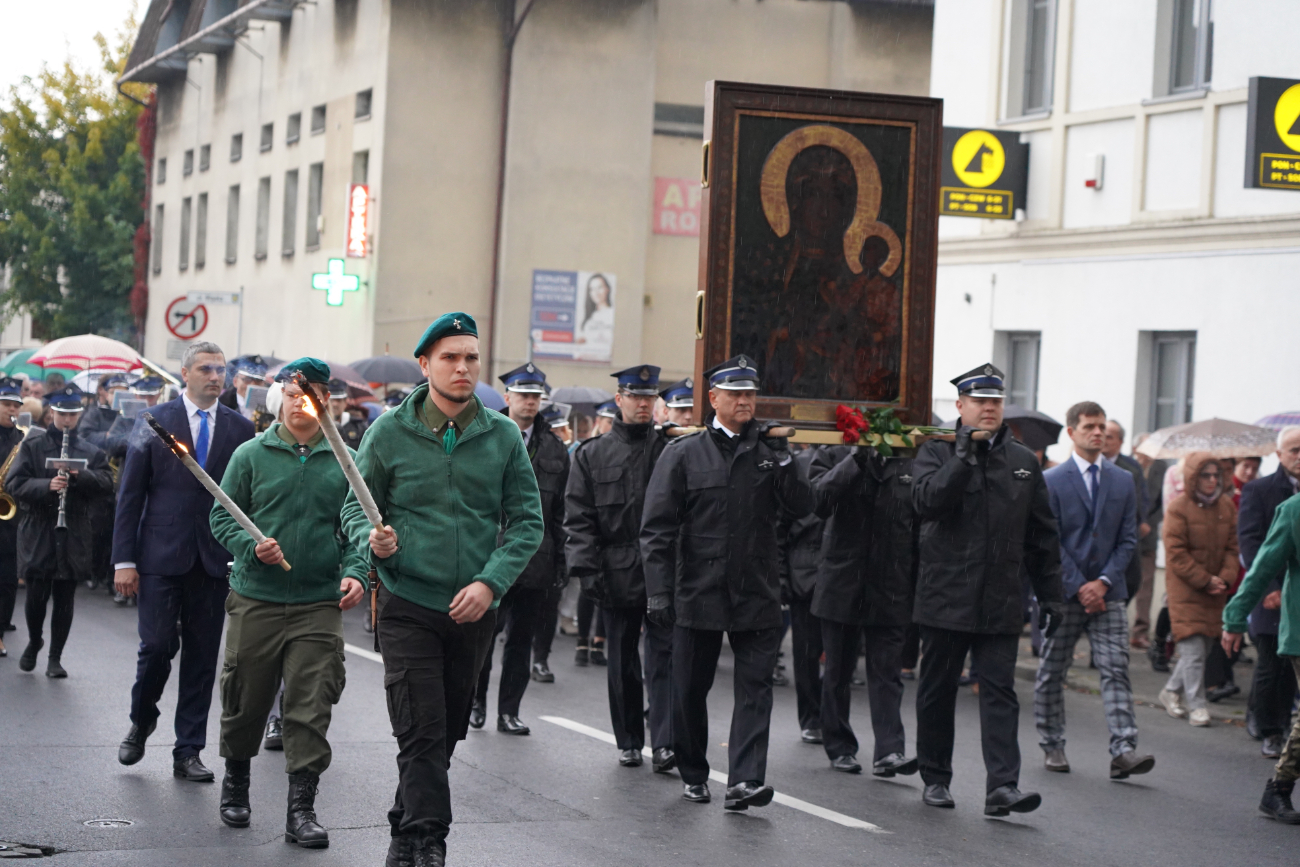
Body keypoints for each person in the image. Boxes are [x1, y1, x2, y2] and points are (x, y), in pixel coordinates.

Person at [341, 312, 543, 867]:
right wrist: (371, 541)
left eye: (471, 358)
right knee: (421, 726)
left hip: (473, 610)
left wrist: (490, 582)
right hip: (408, 603)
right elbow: (356, 506)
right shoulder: (388, 432)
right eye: (450, 357)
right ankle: (430, 841)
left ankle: (404, 826)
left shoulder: (501, 434)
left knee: (447, 730)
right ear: (425, 364)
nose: (462, 367)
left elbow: (527, 522)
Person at [641, 354, 814, 809]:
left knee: (755, 688)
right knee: (689, 688)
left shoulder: (769, 453)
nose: (744, 401)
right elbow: (657, 529)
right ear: (712, 398)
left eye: (750, 394)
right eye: (734, 393)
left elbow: (802, 507)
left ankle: (744, 780)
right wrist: (659, 591)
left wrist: (785, 460)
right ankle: (694, 770)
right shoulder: (683, 453)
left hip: (755, 589)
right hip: (698, 589)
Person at [209, 358, 366, 846]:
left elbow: (362, 522)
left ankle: (302, 809)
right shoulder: (251, 455)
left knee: (310, 704)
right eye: (295, 394)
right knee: (246, 698)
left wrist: (357, 571)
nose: (304, 404)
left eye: (313, 395)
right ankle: (236, 783)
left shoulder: (346, 459)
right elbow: (222, 517)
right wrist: (249, 546)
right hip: (257, 597)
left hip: (318, 602)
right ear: (280, 398)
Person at [911, 363, 1062, 816]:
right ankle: (936, 777)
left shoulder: (1020, 460)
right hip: (945, 595)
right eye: (980, 401)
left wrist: (1052, 594)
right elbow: (928, 503)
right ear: (960, 406)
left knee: (1000, 691)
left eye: (995, 401)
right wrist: (961, 457)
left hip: (999, 597)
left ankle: (1003, 786)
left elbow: (1042, 535)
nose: (990, 408)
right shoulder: (935, 452)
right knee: (937, 690)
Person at [113, 342, 255, 781]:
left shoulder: (241, 428)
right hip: (160, 555)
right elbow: (130, 494)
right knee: (156, 646)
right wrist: (123, 560)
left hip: (213, 559)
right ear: (185, 373)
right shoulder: (155, 423)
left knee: (201, 658)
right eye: (206, 369)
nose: (215, 377)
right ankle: (142, 719)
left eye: (221, 370)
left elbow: (246, 497)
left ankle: (188, 750)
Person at [566, 364, 675, 770]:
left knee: (665, 657)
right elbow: (578, 517)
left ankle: (665, 741)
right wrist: (587, 570)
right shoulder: (592, 455)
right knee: (623, 659)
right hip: (615, 568)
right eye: (636, 397)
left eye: (649, 398)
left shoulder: (670, 448)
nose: (643, 405)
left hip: (663, 568)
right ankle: (629, 738)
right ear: (620, 400)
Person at [1035, 403, 1152, 778]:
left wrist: (1102, 582)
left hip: (1109, 592)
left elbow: (1128, 538)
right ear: (1072, 432)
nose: (1098, 433)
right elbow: (1048, 540)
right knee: (1053, 670)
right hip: (1065, 592)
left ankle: (1124, 749)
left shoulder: (1122, 479)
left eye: (1102, 426)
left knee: (1116, 669)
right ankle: (1052, 744)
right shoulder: (1052, 480)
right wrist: (1079, 584)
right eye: (1089, 426)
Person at [811, 442, 920, 778]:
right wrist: (855, 458)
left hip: (890, 580)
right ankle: (840, 745)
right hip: (843, 578)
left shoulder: (910, 458)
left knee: (888, 671)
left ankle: (890, 750)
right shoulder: (832, 453)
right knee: (839, 671)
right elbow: (818, 501)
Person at [471, 363, 568, 735]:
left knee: (520, 643)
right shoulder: (486, 436)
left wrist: (560, 563)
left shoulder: (556, 449)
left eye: (535, 396)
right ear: (507, 397)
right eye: (523, 395)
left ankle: (508, 710)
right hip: (491, 558)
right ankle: (476, 702)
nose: (529, 402)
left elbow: (558, 514)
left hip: (535, 559)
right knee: (482, 639)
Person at [8, 386, 112, 676]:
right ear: (52, 413)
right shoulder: (33, 446)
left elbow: (107, 484)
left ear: (79, 415)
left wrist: (82, 477)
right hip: (40, 526)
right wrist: (46, 486)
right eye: (62, 414)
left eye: (73, 415)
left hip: (74, 529)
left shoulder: (90, 451)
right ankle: (34, 640)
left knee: (65, 597)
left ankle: (55, 657)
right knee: (36, 594)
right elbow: (14, 484)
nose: (68, 420)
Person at [1222, 482, 1300, 825]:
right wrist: (1235, 616)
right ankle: (1278, 789)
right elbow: (1263, 566)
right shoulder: (1294, 510)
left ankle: (1279, 788)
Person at [1158, 453, 1237, 728]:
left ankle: (1170, 691)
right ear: (1193, 477)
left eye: (1217, 474)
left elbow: (1232, 548)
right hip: (1186, 589)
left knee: (1202, 648)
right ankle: (1198, 706)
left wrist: (1224, 579)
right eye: (1206, 475)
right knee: (1191, 648)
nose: (1212, 480)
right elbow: (1176, 553)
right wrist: (1205, 579)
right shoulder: (1178, 507)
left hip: (1214, 591)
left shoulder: (1226, 506)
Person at [1237, 427, 1300, 758]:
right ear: (1279, 455)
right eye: (1294, 450)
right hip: (1269, 589)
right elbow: (1250, 542)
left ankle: (1282, 722)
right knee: (1268, 663)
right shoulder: (1259, 490)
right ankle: (1269, 730)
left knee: (1290, 664)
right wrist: (1268, 588)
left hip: (1297, 594)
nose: (1299, 456)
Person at [780, 444, 827, 746]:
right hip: (806, 574)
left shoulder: (859, 456)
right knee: (808, 653)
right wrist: (783, 577)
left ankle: (827, 717)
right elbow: (783, 525)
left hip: (839, 571)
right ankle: (812, 717)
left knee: (836, 657)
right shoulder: (800, 464)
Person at [1102, 421, 1150, 605]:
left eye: (1110, 437)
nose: (1104, 440)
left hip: (1123, 532)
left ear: (1121, 441)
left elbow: (1141, 499)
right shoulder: (1092, 463)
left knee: (1130, 577)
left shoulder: (1130, 468)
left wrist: (1140, 522)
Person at [0, 378, 26, 653]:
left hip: (10, 516)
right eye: (6, 404)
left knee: (8, 579)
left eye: (15, 406)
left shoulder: (23, 439)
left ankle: (2, 626)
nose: (11, 410)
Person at [327, 378, 369, 448]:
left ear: (345, 402)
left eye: (339, 400)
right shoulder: (317, 426)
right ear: (326, 401)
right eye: (331, 400)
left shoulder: (358, 426)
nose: (335, 404)